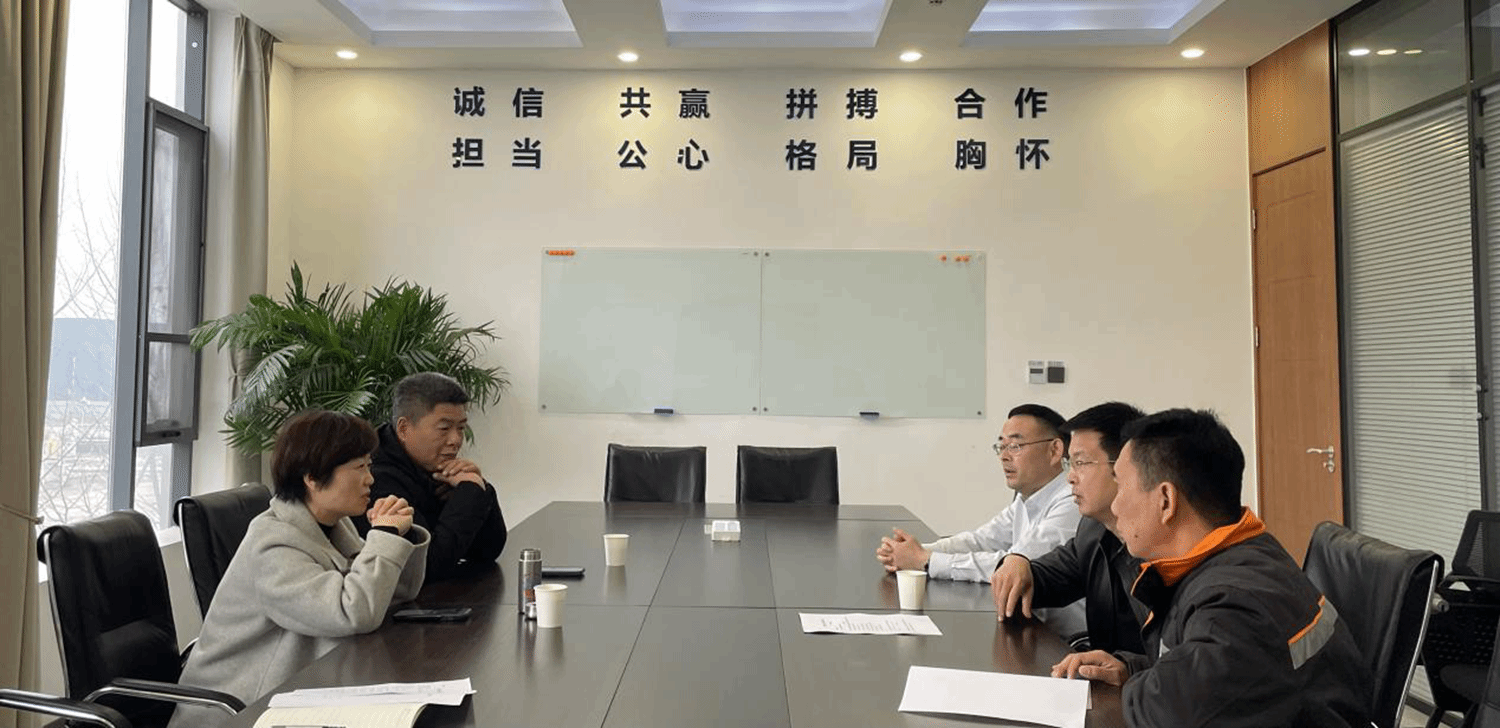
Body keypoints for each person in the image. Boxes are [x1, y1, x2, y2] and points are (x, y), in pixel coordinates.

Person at [1051, 409, 1370, 728]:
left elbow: (1175, 714)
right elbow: (1218, 673)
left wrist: (1137, 688)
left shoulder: (1234, 605)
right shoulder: (1238, 555)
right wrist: (1132, 670)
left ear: (1166, 500)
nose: (1116, 505)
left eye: (1121, 487)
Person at [169, 410, 429, 728]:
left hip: (300, 695)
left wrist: (401, 537)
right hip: (240, 713)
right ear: (313, 478)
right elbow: (352, 612)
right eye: (359, 467)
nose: (370, 479)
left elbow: (393, 594)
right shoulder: (272, 543)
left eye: (369, 465)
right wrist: (384, 536)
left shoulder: (335, 525)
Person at [876, 404, 1084, 636]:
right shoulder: (1027, 499)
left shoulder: (1072, 500)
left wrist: (927, 561)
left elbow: (1012, 568)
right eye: (1001, 446)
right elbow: (980, 540)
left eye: (1015, 446)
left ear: (1055, 450)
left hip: (1066, 641)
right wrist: (918, 551)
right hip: (1030, 626)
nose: (1004, 456)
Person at [991, 402, 1148, 653]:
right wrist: (1018, 562)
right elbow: (1052, 576)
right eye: (1070, 464)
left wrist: (1125, 668)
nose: (1070, 478)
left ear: (1125, 468)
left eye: (1081, 463)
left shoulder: (1159, 545)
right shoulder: (1093, 530)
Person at [357, 372, 508, 580]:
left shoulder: (431, 464)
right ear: (404, 429)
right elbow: (428, 564)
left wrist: (477, 487)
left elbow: (486, 551)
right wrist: (470, 492)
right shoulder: (374, 476)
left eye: (461, 428)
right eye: (444, 428)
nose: (456, 440)